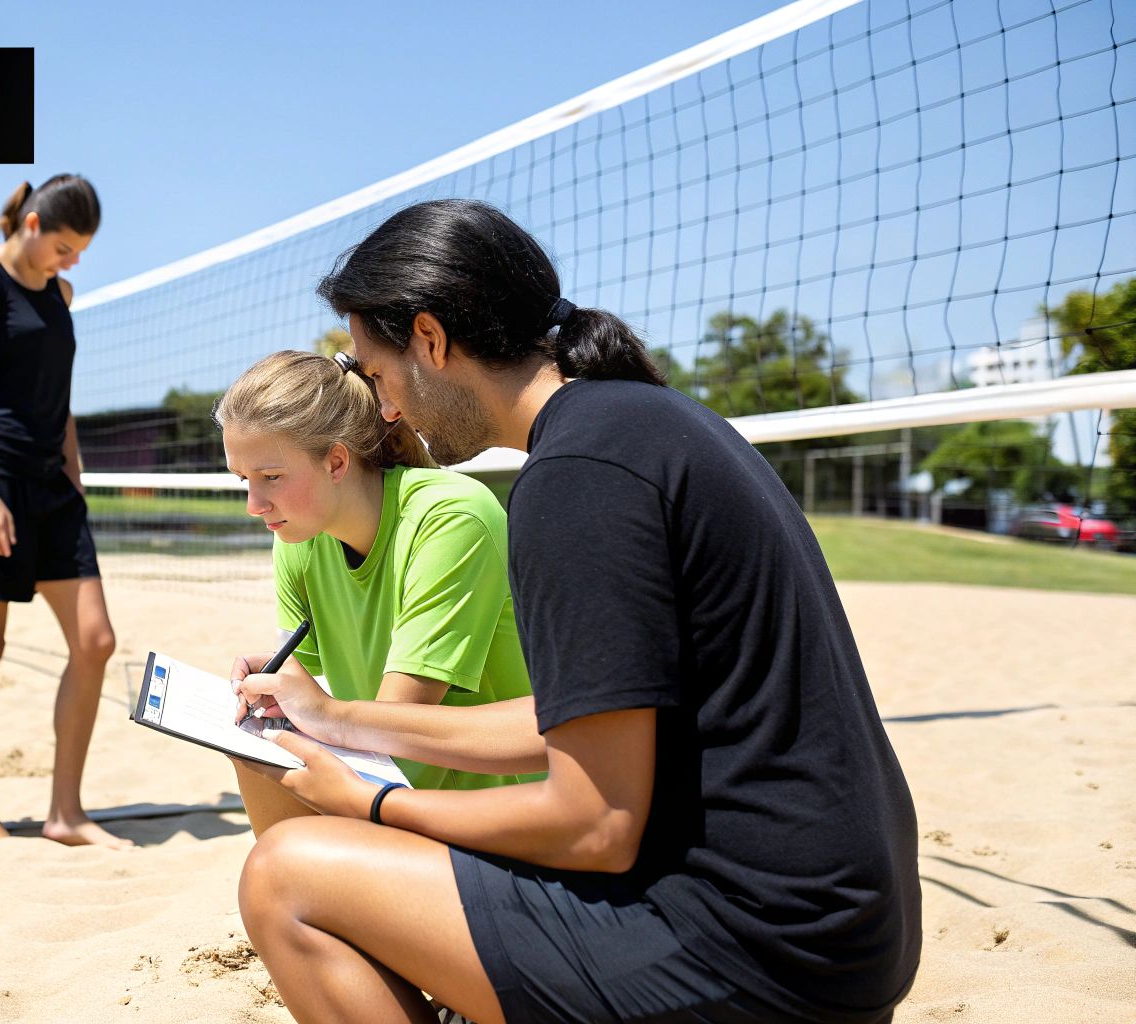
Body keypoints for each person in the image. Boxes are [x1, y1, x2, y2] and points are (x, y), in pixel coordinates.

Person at [229, 199, 921, 1023]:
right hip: (848, 931)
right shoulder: (645, 422)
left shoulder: (575, 478)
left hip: (757, 953)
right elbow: (569, 722)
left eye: (377, 378)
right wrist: (337, 718)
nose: (384, 412)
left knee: (286, 876)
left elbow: (595, 825)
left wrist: (372, 805)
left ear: (431, 341)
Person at [212, 350, 540, 835]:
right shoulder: (300, 537)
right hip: (385, 781)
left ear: (337, 461)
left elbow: (398, 723)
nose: (253, 505)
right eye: (244, 480)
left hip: (496, 812)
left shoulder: (450, 517)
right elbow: (320, 698)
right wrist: (278, 689)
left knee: (283, 857)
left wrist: (317, 715)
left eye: (271, 478)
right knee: (255, 745)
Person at [0, 174, 128, 849]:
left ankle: (65, 814)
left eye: (80, 253)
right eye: (66, 248)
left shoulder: (62, 295)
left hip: (52, 488)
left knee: (96, 641)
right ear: (34, 224)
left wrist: (74, 471)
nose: (71, 264)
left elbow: (57, 399)